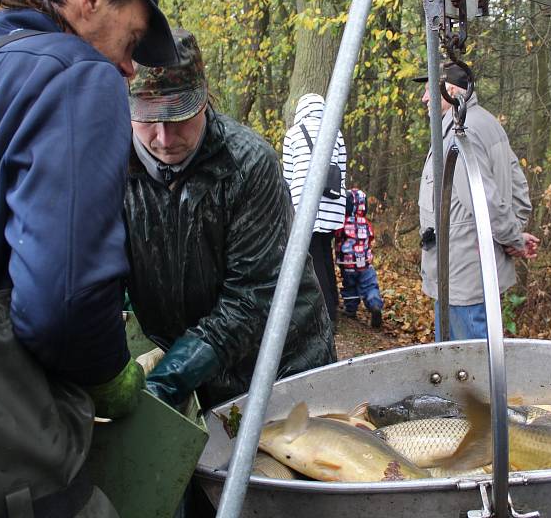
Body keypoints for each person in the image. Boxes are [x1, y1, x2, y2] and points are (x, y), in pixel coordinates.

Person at [0, 0, 177, 517]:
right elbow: (63, 299)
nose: (131, 69)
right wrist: (107, 372)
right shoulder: (74, 74)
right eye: (133, 40)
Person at [125, 29, 336, 412]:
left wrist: (169, 379)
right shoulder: (110, 163)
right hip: (193, 373)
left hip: (282, 367)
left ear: (203, 99)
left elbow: (252, 295)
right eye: (148, 119)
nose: (164, 137)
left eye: (178, 117)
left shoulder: (248, 164)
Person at [415, 63, 539, 341]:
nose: (424, 99)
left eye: (428, 91)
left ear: (451, 91)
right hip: (473, 269)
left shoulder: (461, 132)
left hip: (463, 272)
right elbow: (519, 188)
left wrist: (513, 239)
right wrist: (513, 235)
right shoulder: (487, 122)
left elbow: (484, 201)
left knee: (467, 367)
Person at [282, 93, 347, 326]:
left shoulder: (293, 134)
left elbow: (287, 177)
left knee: (312, 259)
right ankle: (333, 307)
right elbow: (342, 174)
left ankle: (325, 315)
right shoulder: (336, 134)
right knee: (325, 255)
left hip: (304, 207)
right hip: (331, 207)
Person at [335, 188, 384, 328]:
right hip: (365, 263)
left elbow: (337, 236)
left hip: (348, 264)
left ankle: (351, 309)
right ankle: (374, 304)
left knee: (349, 286)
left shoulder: (342, 223)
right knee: (370, 285)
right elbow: (371, 237)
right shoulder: (367, 224)